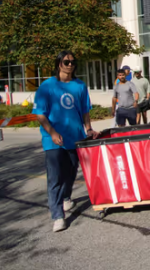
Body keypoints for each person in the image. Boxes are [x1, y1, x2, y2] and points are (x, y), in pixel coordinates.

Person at [33, 51, 99, 233]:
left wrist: (89, 129)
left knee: (71, 172)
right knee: (55, 177)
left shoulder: (80, 85)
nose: (70, 65)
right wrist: (52, 132)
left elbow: (85, 111)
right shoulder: (47, 86)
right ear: (59, 63)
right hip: (53, 140)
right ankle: (58, 216)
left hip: (75, 137)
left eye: (72, 62)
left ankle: (66, 198)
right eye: (66, 62)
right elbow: (40, 114)